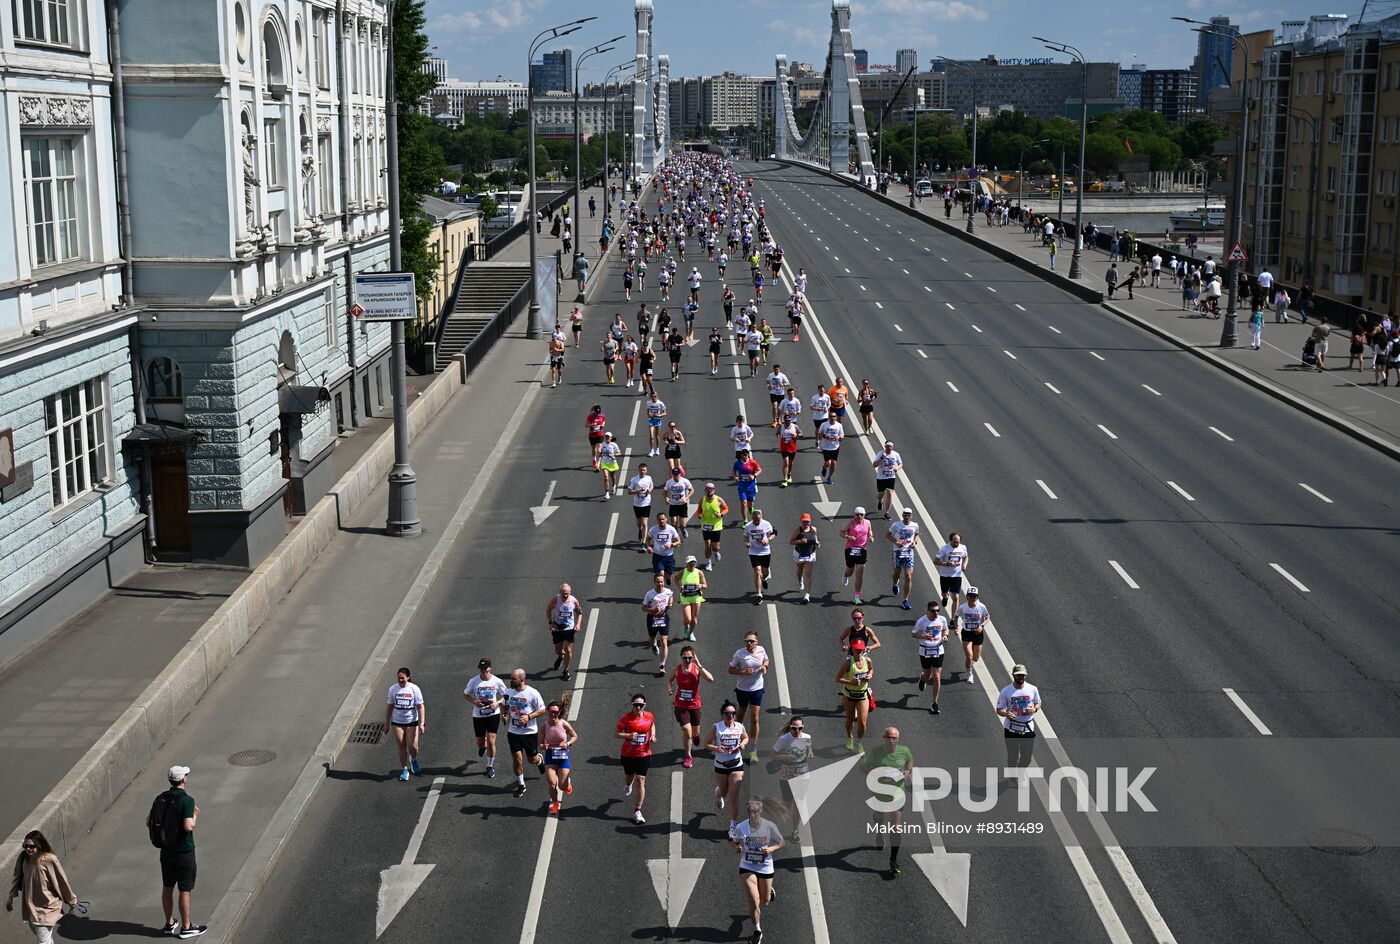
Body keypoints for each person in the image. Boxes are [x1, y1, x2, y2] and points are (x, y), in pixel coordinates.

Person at [145, 766, 204, 938]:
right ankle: (186, 927)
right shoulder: (187, 800)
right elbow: (188, 826)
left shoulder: (160, 797)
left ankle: (169, 923)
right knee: (184, 889)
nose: (187, 776)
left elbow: (148, 821)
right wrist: (195, 816)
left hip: (166, 852)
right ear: (183, 779)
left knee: (168, 887)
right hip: (184, 851)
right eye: (186, 774)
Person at [6, 830, 80, 943]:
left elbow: (62, 881)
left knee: (43, 940)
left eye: (31, 846)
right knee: (43, 937)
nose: (28, 849)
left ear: (40, 845)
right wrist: (10, 897)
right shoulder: (23, 857)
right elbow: (16, 877)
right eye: (25, 846)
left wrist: (71, 900)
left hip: (47, 907)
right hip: (31, 907)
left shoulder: (49, 860)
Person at [862, 727, 913, 877]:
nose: (891, 740)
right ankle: (879, 832)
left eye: (893, 738)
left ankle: (893, 860)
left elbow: (910, 760)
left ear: (898, 739)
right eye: (888, 737)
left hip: (897, 794)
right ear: (883, 738)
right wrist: (876, 774)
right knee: (879, 816)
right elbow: (862, 768)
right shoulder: (875, 753)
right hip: (879, 793)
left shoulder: (904, 751)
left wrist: (908, 772)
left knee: (896, 828)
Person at [731, 798, 783, 944]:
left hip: (765, 867)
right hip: (747, 866)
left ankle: (768, 892)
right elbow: (732, 839)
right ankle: (758, 931)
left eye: (756, 812)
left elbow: (781, 842)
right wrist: (736, 847)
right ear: (748, 812)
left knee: (764, 901)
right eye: (751, 812)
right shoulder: (741, 827)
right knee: (754, 902)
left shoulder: (769, 826)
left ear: (761, 812)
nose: (753, 814)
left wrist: (771, 849)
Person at [616, 694, 659, 824]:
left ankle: (637, 810)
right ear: (632, 705)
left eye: (641, 705)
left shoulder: (649, 716)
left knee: (641, 780)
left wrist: (652, 735)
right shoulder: (626, 719)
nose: (638, 707)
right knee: (629, 777)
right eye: (636, 705)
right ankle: (628, 784)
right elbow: (616, 733)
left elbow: (652, 724)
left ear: (644, 705)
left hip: (644, 754)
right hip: (628, 754)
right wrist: (628, 735)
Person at [706, 701, 750, 829]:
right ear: (722, 714)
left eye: (732, 714)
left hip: (736, 764)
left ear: (735, 715)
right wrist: (716, 748)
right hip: (721, 765)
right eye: (727, 714)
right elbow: (706, 744)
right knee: (725, 792)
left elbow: (745, 737)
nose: (730, 716)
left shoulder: (739, 727)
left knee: (733, 796)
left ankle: (732, 826)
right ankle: (718, 793)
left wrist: (743, 744)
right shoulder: (717, 727)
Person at [505, 669, 547, 798]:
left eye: (513, 679)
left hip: (529, 732)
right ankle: (521, 785)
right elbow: (506, 705)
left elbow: (542, 709)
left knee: (531, 759)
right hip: (513, 732)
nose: (511, 681)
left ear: (521, 679)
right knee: (517, 760)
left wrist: (529, 717)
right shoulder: (509, 692)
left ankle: (539, 760)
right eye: (511, 678)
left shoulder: (532, 693)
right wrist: (505, 716)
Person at [670, 646, 715, 768]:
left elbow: (711, 679)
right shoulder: (677, 669)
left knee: (695, 732)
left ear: (693, 657)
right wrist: (670, 688)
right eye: (685, 658)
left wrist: (699, 664)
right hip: (680, 704)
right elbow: (669, 679)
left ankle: (695, 736)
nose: (687, 660)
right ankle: (688, 756)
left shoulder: (696, 669)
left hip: (694, 704)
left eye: (690, 657)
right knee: (687, 732)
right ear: (681, 657)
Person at [464, 658, 509, 776]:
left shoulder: (497, 681)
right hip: (478, 715)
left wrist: (498, 703)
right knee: (480, 743)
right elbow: (465, 694)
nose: (483, 671)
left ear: (490, 668)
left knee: (491, 740)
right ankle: (482, 746)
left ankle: (489, 766)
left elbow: (507, 696)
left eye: (485, 669)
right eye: (481, 669)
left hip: (493, 714)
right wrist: (474, 702)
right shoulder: (473, 681)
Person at [728, 633, 768, 762]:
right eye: (747, 641)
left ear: (757, 642)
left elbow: (766, 660)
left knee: (754, 717)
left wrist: (765, 666)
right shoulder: (739, 653)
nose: (749, 643)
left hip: (757, 688)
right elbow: (730, 669)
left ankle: (753, 749)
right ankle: (737, 737)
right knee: (741, 713)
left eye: (751, 641)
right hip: (742, 689)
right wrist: (742, 672)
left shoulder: (761, 650)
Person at [770, 718, 812, 842]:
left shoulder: (807, 737)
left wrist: (810, 753)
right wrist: (784, 756)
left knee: (799, 805)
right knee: (787, 805)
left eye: (800, 728)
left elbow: (809, 748)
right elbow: (772, 754)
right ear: (790, 727)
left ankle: (795, 831)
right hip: (786, 777)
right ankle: (774, 828)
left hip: (803, 776)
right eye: (794, 728)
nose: (797, 731)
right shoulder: (784, 739)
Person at [996, 664, 1041, 770]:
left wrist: (1034, 709)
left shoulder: (1033, 689)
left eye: (1022, 675)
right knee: (1013, 756)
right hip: (1011, 729)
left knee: (1027, 758)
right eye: (1018, 675)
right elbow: (999, 709)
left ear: (1026, 675)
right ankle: (1012, 777)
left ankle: (1020, 771)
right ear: (1013, 675)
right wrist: (1006, 714)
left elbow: (1038, 703)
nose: (1020, 677)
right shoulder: (1006, 691)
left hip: (1027, 728)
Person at [385, 667, 425, 781]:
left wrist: (422, 723)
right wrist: (386, 724)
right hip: (397, 721)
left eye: (403, 678)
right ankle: (404, 769)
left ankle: (414, 759)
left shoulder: (414, 689)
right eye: (399, 678)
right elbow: (389, 707)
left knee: (413, 746)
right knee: (401, 746)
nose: (401, 680)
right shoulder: (393, 689)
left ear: (408, 677)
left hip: (411, 721)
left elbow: (420, 706)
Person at [836, 640, 874, 754]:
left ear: (863, 650)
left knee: (862, 722)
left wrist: (870, 675)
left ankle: (859, 743)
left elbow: (871, 669)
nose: (858, 652)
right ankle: (849, 738)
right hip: (849, 695)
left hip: (862, 695)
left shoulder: (868, 661)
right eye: (856, 650)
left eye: (860, 650)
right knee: (850, 719)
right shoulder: (848, 663)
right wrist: (851, 682)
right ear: (852, 650)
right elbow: (838, 678)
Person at [542, 700, 578, 815]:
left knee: (562, 787)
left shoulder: (564, 724)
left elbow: (574, 736)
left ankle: (567, 782)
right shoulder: (544, 726)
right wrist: (544, 746)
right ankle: (555, 803)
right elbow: (540, 744)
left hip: (562, 756)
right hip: (550, 756)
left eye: (556, 712)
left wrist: (567, 743)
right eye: (551, 712)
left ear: (559, 712)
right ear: (548, 711)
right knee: (552, 783)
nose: (553, 714)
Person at [912, 603, 948, 714]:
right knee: (927, 676)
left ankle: (934, 703)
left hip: (938, 650)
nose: (935, 613)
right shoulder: (921, 621)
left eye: (937, 610)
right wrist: (923, 636)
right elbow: (914, 634)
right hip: (925, 650)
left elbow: (946, 629)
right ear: (928, 611)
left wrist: (945, 636)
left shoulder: (942, 619)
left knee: (937, 677)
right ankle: (923, 678)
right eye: (933, 611)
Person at [545, 584, 583, 681]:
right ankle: (561, 656)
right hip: (557, 628)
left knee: (568, 649)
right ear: (560, 592)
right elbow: (548, 609)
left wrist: (578, 624)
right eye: (563, 594)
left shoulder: (574, 600)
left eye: (567, 593)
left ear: (570, 592)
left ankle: (565, 671)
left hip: (569, 628)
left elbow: (579, 613)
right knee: (558, 650)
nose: (565, 596)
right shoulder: (555, 600)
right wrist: (550, 623)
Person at [642, 571, 675, 677]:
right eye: (658, 582)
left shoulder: (668, 591)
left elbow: (671, 595)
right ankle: (654, 645)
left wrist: (670, 604)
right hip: (652, 619)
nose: (660, 584)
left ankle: (662, 666)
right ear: (654, 582)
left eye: (661, 582)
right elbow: (643, 608)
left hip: (664, 618)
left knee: (664, 641)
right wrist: (653, 609)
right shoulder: (649, 594)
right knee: (651, 639)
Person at [886, 509, 920, 610]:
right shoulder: (896, 525)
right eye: (905, 514)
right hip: (898, 552)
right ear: (902, 515)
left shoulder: (915, 525)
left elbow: (917, 534)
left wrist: (914, 542)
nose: (907, 516)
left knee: (908, 576)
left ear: (911, 516)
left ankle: (905, 600)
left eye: (909, 515)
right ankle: (895, 584)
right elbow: (887, 535)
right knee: (897, 574)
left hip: (909, 552)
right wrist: (896, 542)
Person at [957, 587, 990, 685]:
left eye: (974, 596)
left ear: (977, 597)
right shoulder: (963, 607)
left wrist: (982, 626)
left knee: (976, 658)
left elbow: (988, 617)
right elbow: (956, 616)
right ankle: (969, 674)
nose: (972, 598)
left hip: (978, 633)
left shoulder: (981, 607)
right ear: (967, 596)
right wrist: (955, 627)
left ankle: (970, 665)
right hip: (967, 633)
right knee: (969, 656)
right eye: (970, 596)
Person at [934, 531, 969, 621]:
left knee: (956, 597)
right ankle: (945, 597)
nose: (956, 543)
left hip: (957, 576)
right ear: (950, 540)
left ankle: (953, 619)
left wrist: (964, 565)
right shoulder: (944, 549)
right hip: (945, 575)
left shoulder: (963, 548)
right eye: (954, 541)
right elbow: (935, 561)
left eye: (958, 542)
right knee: (944, 593)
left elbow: (966, 557)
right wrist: (946, 563)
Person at [693, 482, 728, 570]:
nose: (709, 490)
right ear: (705, 490)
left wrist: (721, 514)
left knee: (715, 547)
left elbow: (726, 508)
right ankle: (708, 562)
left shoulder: (718, 499)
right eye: (708, 489)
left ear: (714, 490)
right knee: (707, 545)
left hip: (716, 526)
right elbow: (699, 511)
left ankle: (716, 552)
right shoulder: (702, 500)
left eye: (711, 489)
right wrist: (699, 515)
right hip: (705, 526)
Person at [743, 508, 774, 605]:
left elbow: (774, 534)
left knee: (764, 572)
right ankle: (759, 594)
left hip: (765, 551)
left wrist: (768, 540)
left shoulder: (766, 524)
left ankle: (764, 579)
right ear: (752, 518)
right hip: (753, 551)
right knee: (757, 571)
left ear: (761, 518)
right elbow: (745, 536)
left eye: (758, 520)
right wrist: (746, 543)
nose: (757, 522)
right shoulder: (748, 526)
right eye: (755, 521)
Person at [840, 507, 871, 603]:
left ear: (864, 515)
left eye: (861, 514)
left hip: (862, 549)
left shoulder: (868, 522)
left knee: (859, 573)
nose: (859, 516)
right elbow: (841, 532)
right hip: (850, 549)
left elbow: (869, 531)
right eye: (857, 514)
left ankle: (856, 597)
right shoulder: (851, 523)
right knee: (850, 570)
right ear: (854, 515)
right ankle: (845, 575)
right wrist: (848, 537)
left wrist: (871, 537)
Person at [789, 513, 819, 604]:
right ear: (801, 521)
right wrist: (800, 541)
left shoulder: (814, 529)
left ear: (810, 521)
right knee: (800, 570)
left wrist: (817, 543)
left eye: (807, 521)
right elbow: (791, 541)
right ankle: (800, 579)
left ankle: (807, 595)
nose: (806, 523)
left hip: (811, 554)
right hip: (799, 553)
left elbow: (815, 538)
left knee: (808, 574)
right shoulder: (798, 530)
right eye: (804, 521)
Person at [676, 556, 708, 640]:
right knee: (688, 619)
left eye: (693, 563)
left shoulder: (699, 572)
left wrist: (700, 585)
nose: (692, 565)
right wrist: (680, 587)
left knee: (694, 619)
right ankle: (686, 628)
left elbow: (705, 585)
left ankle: (691, 633)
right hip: (685, 597)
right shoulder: (682, 572)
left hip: (696, 597)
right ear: (687, 564)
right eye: (690, 563)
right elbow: (676, 579)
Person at [871, 440, 903, 518]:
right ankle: (880, 501)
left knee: (890, 493)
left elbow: (901, 463)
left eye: (890, 446)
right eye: (887, 446)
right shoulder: (880, 453)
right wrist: (882, 458)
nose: (889, 448)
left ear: (892, 447)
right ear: (885, 447)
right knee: (880, 494)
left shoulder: (896, 454)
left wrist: (897, 468)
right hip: (881, 478)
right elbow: (874, 465)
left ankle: (887, 513)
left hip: (891, 477)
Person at [627, 462, 655, 547]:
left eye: (644, 470)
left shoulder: (649, 478)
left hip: (646, 503)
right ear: (638, 470)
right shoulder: (634, 479)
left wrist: (650, 490)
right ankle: (640, 530)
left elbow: (651, 486)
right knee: (639, 523)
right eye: (641, 470)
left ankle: (644, 543)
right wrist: (638, 491)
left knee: (645, 523)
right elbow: (629, 492)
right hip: (637, 504)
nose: (642, 471)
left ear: (646, 471)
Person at [732, 448, 761, 521]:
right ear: (741, 455)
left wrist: (754, 476)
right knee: (744, 503)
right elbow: (733, 471)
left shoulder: (752, 462)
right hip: (742, 486)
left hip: (751, 486)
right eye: (743, 455)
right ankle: (745, 520)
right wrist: (735, 477)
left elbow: (759, 470)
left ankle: (751, 508)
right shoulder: (738, 463)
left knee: (750, 503)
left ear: (748, 455)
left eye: (746, 455)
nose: (745, 456)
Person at [663, 467, 694, 535]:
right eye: (674, 474)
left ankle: (683, 530)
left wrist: (686, 498)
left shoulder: (685, 481)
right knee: (674, 523)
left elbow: (692, 490)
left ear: (680, 474)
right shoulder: (669, 482)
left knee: (683, 525)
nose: (676, 476)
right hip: (673, 505)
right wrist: (666, 498)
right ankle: (675, 533)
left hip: (682, 505)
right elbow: (664, 491)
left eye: (677, 474)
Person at [818, 410, 844, 485]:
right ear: (828, 417)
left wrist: (838, 437)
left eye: (834, 416)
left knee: (834, 463)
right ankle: (824, 467)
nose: (832, 418)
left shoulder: (839, 425)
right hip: (826, 447)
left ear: (836, 417)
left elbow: (842, 436)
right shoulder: (824, 424)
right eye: (831, 416)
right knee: (828, 463)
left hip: (835, 447)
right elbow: (819, 433)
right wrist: (825, 436)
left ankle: (829, 477)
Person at [776, 416, 800, 486]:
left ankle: (789, 474)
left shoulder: (795, 427)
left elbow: (801, 433)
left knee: (790, 462)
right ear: (784, 421)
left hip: (792, 447)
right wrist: (779, 435)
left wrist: (797, 435)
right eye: (786, 421)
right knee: (786, 462)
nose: (788, 422)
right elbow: (777, 434)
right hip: (784, 447)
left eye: (789, 420)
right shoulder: (781, 427)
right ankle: (785, 479)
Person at [598, 432, 621, 498]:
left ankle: (614, 485)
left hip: (612, 462)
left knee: (612, 476)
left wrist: (613, 454)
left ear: (611, 438)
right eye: (606, 436)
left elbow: (619, 453)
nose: (607, 438)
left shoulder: (614, 445)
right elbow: (599, 454)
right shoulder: (602, 444)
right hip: (604, 462)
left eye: (608, 437)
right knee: (606, 477)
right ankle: (607, 493)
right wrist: (600, 453)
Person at [645, 390, 667, 456]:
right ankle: (652, 450)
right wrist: (649, 415)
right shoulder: (648, 403)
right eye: (652, 396)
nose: (653, 397)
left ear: (657, 396)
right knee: (651, 436)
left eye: (655, 396)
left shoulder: (660, 403)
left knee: (656, 436)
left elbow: (665, 413)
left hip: (657, 420)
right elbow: (647, 412)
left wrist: (659, 415)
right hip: (651, 420)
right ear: (650, 397)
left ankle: (657, 449)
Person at [585, 403, 606, 470]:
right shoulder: (590, 416)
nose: (597, 414)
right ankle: (594, 460)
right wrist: (591, 425)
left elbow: (603, 421)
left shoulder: (602, 415)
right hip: (592, 435)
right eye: (596, 412)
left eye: (598, 412)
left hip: (600, 434)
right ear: (594, 411)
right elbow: (586, 425)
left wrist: (602, 426)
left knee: (599, 450)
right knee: (594, 450)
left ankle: (598, 464)